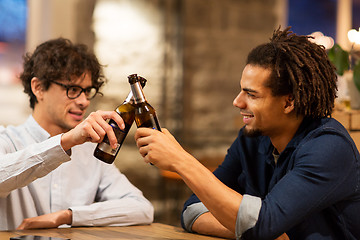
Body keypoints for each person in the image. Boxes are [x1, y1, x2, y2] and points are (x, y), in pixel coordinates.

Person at [134, 27, 360, 239]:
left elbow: (262, 223)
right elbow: (192, 211)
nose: (237, 101)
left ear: (289, 101)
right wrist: (259, 231)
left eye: (252, 95)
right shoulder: (251, 139)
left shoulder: (328, 147)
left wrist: (180, 160)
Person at [0, 38, 154, 231]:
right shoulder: (7, 140)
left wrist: (68, 216)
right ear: (38, 88)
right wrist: (65, 142)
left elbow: (141, 208)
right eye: (73, 89)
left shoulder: (91, 153)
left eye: (87, 91)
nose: (84, 101)